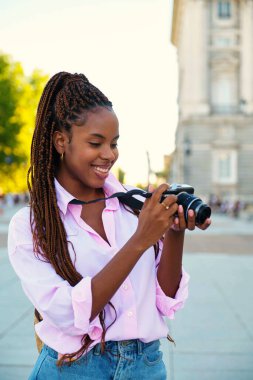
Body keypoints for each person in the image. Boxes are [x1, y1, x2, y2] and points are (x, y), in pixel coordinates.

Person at [8, 72, 211, 379]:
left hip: (146, 366)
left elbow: (164, 299)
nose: (109, 155)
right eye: (96, 142)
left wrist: (173, 232)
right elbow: (66, 314)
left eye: (114, 143)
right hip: (73, 369)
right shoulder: (31, 226)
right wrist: (140, 240)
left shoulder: (133, 206)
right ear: (61, 141)